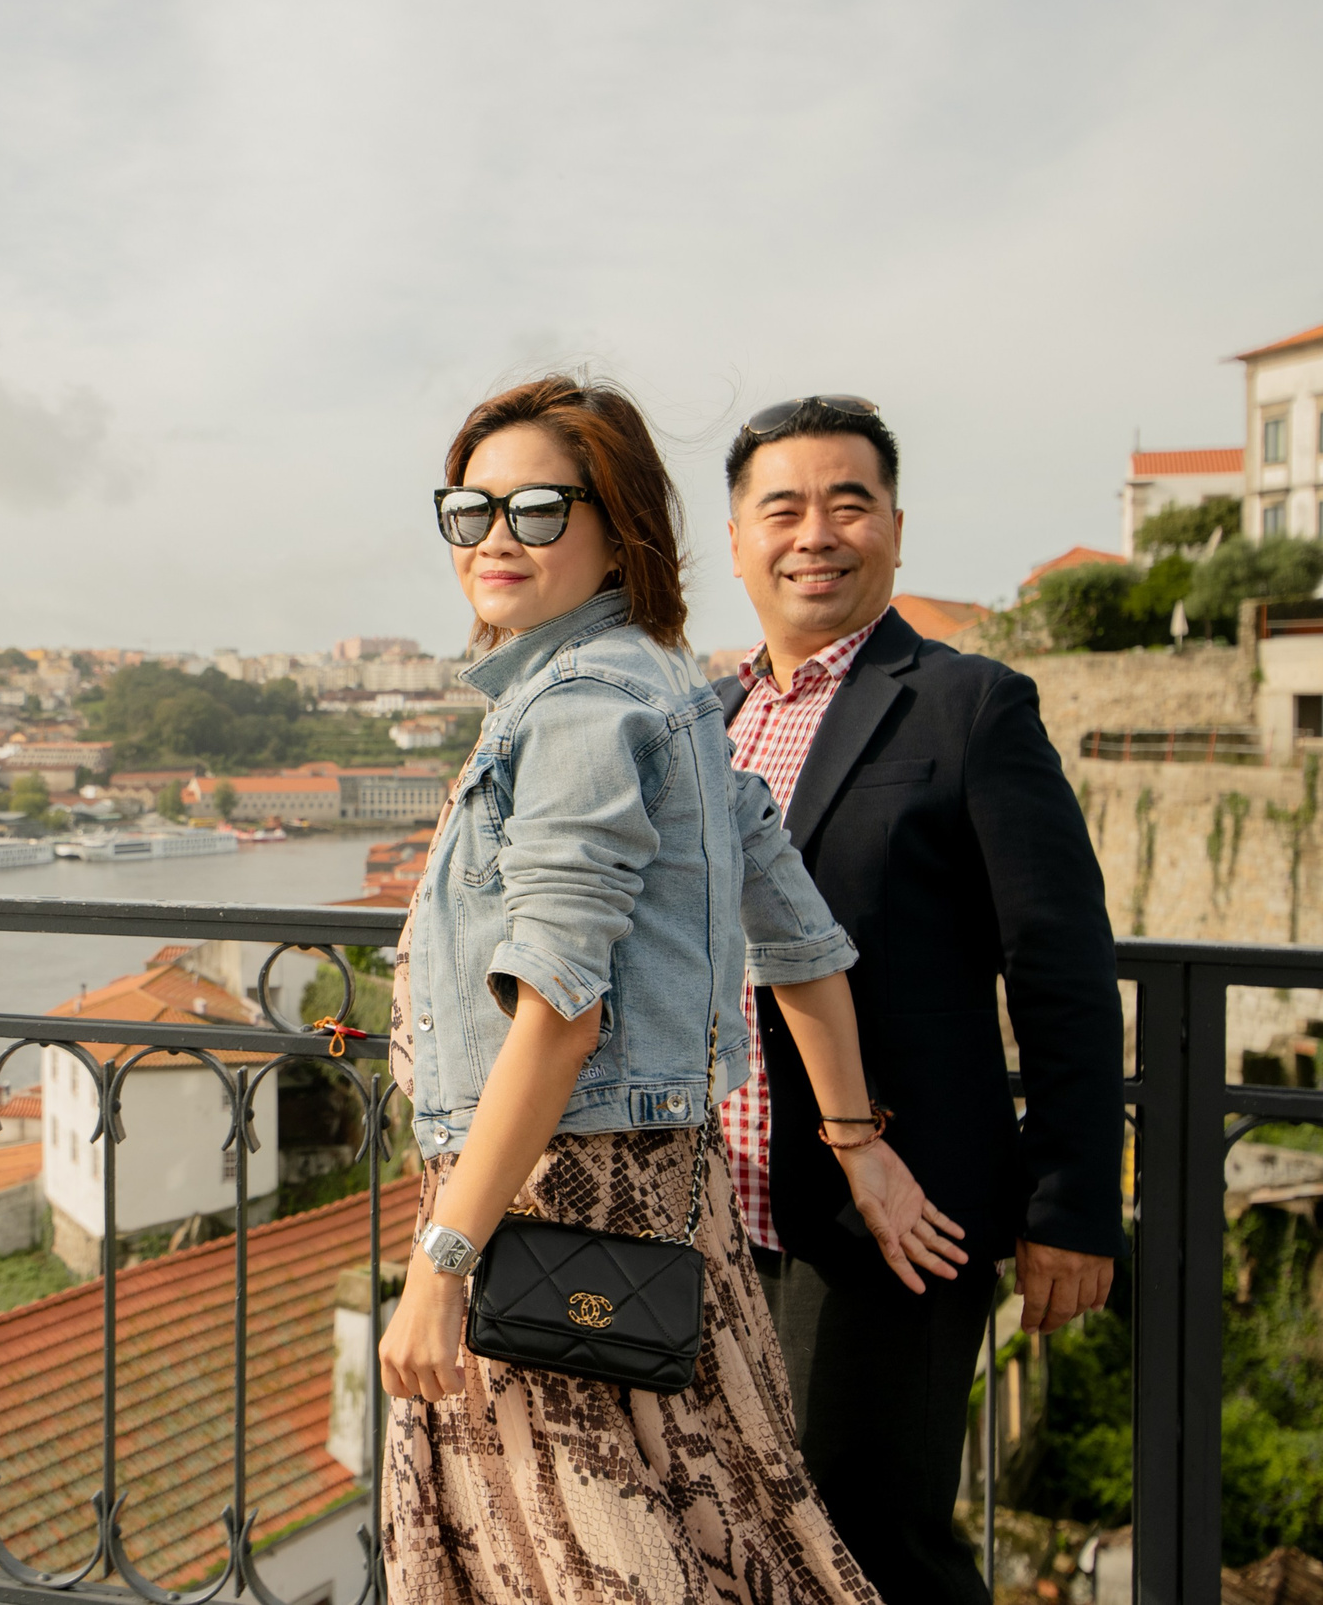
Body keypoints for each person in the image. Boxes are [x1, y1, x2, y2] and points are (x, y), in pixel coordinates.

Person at [378, 375, 966, 1604]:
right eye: (469, 510)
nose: (494, 538)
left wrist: (440, 1262)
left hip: (543, 1203)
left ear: (619, 528)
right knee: (727, 1533)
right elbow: (801, 940)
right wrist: (855, 1143)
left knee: (581, 1562)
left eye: (539, 509)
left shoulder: (581, 707)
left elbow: (559, 1013)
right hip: (660, 1200)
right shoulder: (673, 688)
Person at [715, 395, 1126, 1604]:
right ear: (736, 542)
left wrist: (1069, 1203)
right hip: (711, 1214)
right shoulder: (707, 719)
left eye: (848, 504)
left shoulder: (967, 705)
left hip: (891, 1217)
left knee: (869, 1543)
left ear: (894, 528)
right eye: (782, 508)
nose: (815, 534)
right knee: (734, 1538)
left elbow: (1059, 967)